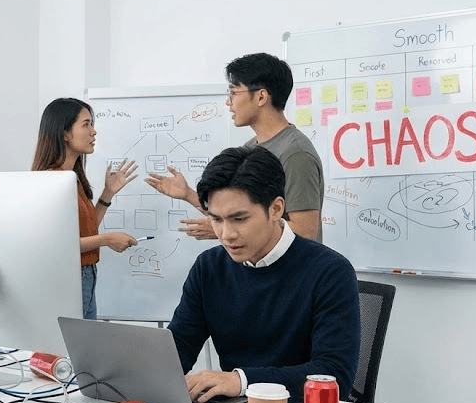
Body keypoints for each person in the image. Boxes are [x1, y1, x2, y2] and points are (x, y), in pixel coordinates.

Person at [167, 146, 359, 403]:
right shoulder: (209, 267)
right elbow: (177, 350)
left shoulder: (330, 272)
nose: (226, 234)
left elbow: (334, 376)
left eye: (239, 218)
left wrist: (241, 380)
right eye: (217, 219)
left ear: (276, 209)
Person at [146, 52, 325, 242]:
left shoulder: (295, 154)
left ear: (261, 96)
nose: (228, 102)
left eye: (233, 93)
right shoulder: (250, 149)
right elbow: (235, 210)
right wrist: (188, 194)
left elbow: (305, 232)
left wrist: (224, 229)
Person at [31, 97, 138, 320]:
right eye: (86, 124)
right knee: (68, 352)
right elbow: (59, 246)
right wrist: (107, 240)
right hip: (68, 278)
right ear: (64, 133)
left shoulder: (73, 178)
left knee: (82, 352)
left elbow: (85, 232)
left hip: (86, 276)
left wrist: (107, 194)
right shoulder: (51, 181)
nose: (94, 132)